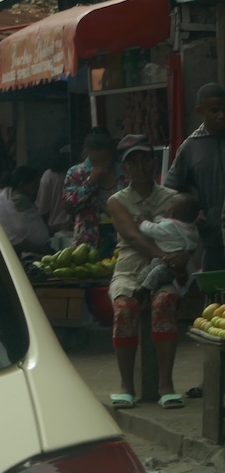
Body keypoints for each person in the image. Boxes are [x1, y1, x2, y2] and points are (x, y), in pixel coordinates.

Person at [107, 134, 190, 410]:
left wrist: (179, 258)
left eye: (145, 159)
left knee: (164, 303)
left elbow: (186, 232)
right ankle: (126, 386)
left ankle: (166, 385)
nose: (141, 166)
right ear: (125, 168)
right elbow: (133, 238)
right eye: (133, 162)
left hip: (165, 270)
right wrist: (165, 254)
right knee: (124, 308)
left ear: (154, 163)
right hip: (130, 269)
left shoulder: (173, 198)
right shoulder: (117, 201)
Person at [164, 82, 225, 270]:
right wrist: (192, 211)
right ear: (200, 111)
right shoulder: (191, 147)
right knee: (216, 293)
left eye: (224, 109)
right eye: (214, 111)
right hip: (212, 238)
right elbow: (171, 189)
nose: (221, 115)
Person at [61, 128, 120, 251]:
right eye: (97, 162)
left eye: (106, 161)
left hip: (120, 238)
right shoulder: (76, 173)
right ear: (88, 153)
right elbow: (69, 205)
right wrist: (90, 182)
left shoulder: (123, 172)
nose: (103, 166)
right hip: (88, 242)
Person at [139, 192, 201, 292]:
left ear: (172, 212)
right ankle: (144, 281)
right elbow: (165, 222)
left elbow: (152, 230)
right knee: (154, 265)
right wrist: (156, 218)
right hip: (183, 261)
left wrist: (144, 221)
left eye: (170, 203)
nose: (167, 206)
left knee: (157, 271)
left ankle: (143, 290)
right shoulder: (190, 227)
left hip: (170, 261)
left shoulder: (170, 227)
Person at [0, 165, 50, 254]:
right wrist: (44, 251)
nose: (36, 190)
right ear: (22, 184)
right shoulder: (20, 199)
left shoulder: (3, 194)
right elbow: (21, 237)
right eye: (34, 186)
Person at [34, 142, 72, 236]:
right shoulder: (79, 175)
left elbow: (42, 208)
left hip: (56, 228)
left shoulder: (49, 176)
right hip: (72, 227)